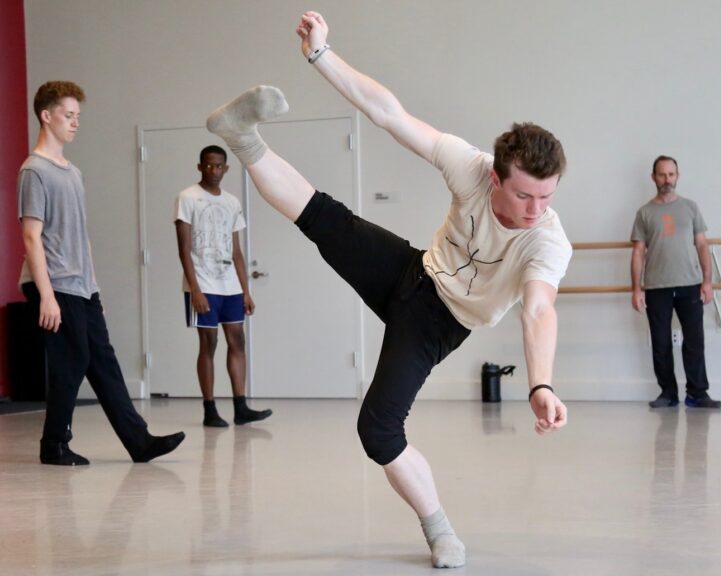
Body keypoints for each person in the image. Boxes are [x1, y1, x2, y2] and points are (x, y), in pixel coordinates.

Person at [204, 11, 570, 569]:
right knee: (324, 218)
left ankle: (439, 528)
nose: (536, 211)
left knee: (377, 428)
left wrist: (541, 383)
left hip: (439, 323)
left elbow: (538, 310)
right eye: (526, 197)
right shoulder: (472, 167)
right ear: (497, 177)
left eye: (547, 198)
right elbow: (388, 113)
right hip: (413, 271)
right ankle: (243, 139)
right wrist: (322, 55)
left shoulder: (547, 240)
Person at [18, 81, 186, 466]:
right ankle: (54, 444)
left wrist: (95, 288)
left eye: (78, 116)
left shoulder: (72, 172)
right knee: (71, 361)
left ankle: (138, 441)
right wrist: (45, 295)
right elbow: (30, 235)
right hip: (53, 283)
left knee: (103, 362)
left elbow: (81, 235)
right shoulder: (34, 171)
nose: (75, 123)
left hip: (81, 286)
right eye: (68, 115)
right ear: (46, 116)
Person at [174, 145, 272, 427]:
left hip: (230, 285)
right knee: (209, 342)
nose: (213, 171)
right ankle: (209, 409)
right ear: (199, 166)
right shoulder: (187, 198)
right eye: (208, 165)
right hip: (202, 284)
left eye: (218, 166)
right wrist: (195, 289)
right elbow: (183, 248)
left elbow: (237, 251)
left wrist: (245, 290)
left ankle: (240, 407)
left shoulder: (231, 202)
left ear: (225, 169)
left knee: (236, 340)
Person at [631, 155, 721, 409]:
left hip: (690, 284)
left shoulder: (690, 207)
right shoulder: (644, 212)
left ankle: (697, 393)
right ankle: (668, 393)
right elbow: (638, 251)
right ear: (653, 177)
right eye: (662, 175)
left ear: (677, 176)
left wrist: (708, 282)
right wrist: (637, 288)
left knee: (694, 341)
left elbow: (702, 245)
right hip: (656, 287)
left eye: (671, 174)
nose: (667, 180)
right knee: (660, 343)